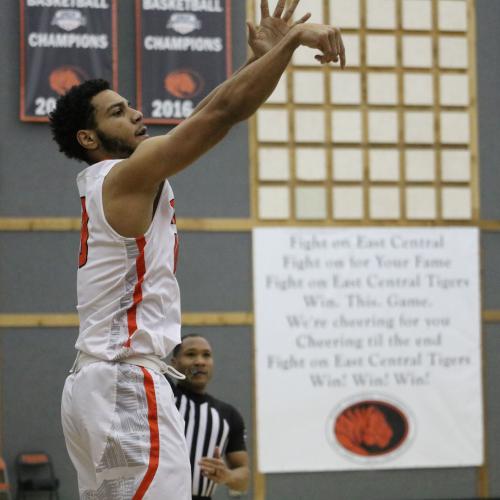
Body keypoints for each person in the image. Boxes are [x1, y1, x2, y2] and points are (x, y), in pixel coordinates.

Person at [50, 0, 346, 497]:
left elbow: (209, 112)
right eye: (118, 113)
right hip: (124, 384)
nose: (136, 113)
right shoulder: (126, 176)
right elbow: (223, 114)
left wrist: (257, 61)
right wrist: (293, 44)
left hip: (91, 386)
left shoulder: (114, 181)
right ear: (89, 136)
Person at [168, 334, 249, 500]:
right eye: (191, 354)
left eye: (206, 355)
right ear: (174, 364)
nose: (200, 361)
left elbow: (244, 477)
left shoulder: (229, 415)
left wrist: (228, 476)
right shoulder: (161, 398)